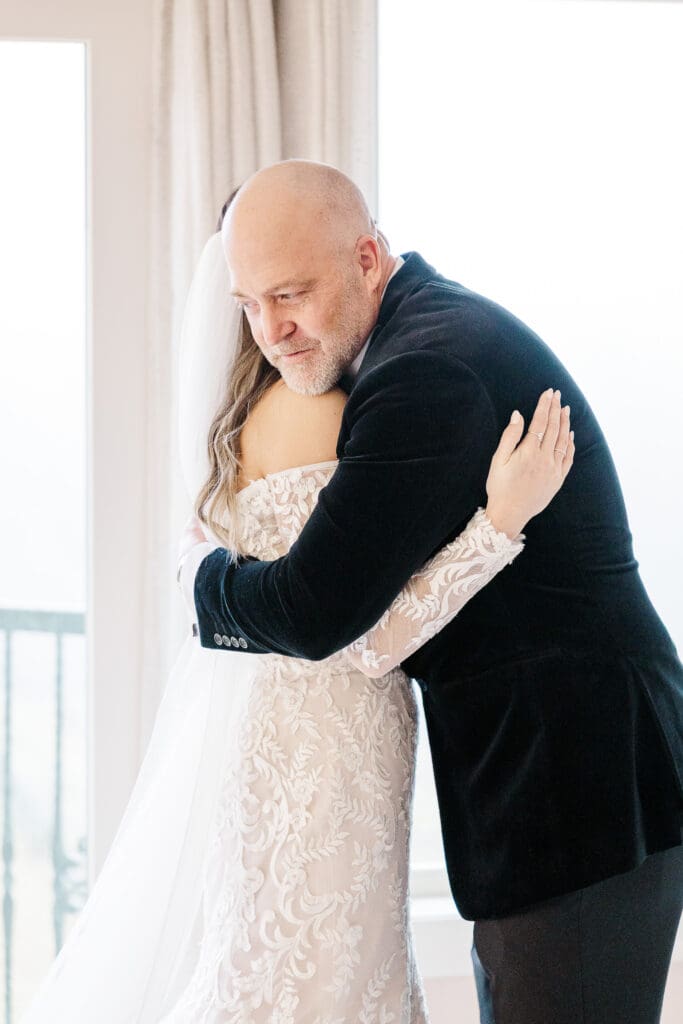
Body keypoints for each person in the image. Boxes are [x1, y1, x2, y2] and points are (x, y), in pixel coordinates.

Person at [18, 233, 570, 1022]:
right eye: (262, 303)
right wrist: (498, 525)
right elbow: (357, 639)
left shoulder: (254, 416)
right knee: (319, 972)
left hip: (288, 726)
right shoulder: (317, 413)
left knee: (291, 963)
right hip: (324, 738)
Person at [180, 160, 683, 1024]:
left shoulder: (424, 372)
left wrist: (203, 583)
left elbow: (313, 613)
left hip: (577, 791)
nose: (273, 329)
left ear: (368, 259)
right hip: (555, 788)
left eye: (292, 294)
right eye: (251, 304)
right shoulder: (422, 337)